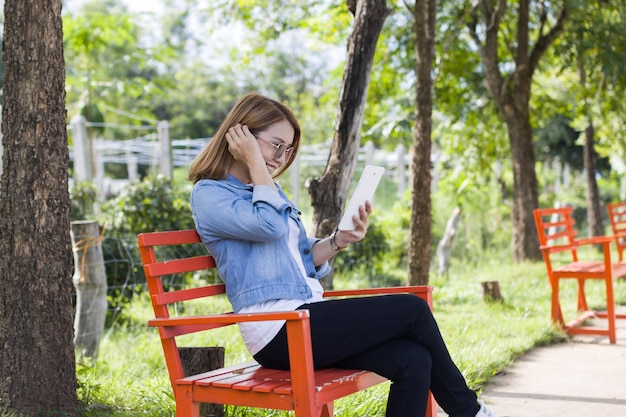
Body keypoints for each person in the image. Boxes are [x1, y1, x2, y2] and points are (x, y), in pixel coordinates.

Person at [188, 93, 501, 417]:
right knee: (413, 309)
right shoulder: (211, 194)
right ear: (240, 136)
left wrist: (338, 240)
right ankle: (469, 412)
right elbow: (269, 227)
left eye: (289, 149)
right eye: (275, 145)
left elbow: (299, 257)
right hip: (277, 331)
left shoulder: (265, 190)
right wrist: (256, 163)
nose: (282, 157)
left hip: (304, 318)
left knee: (413, 359)